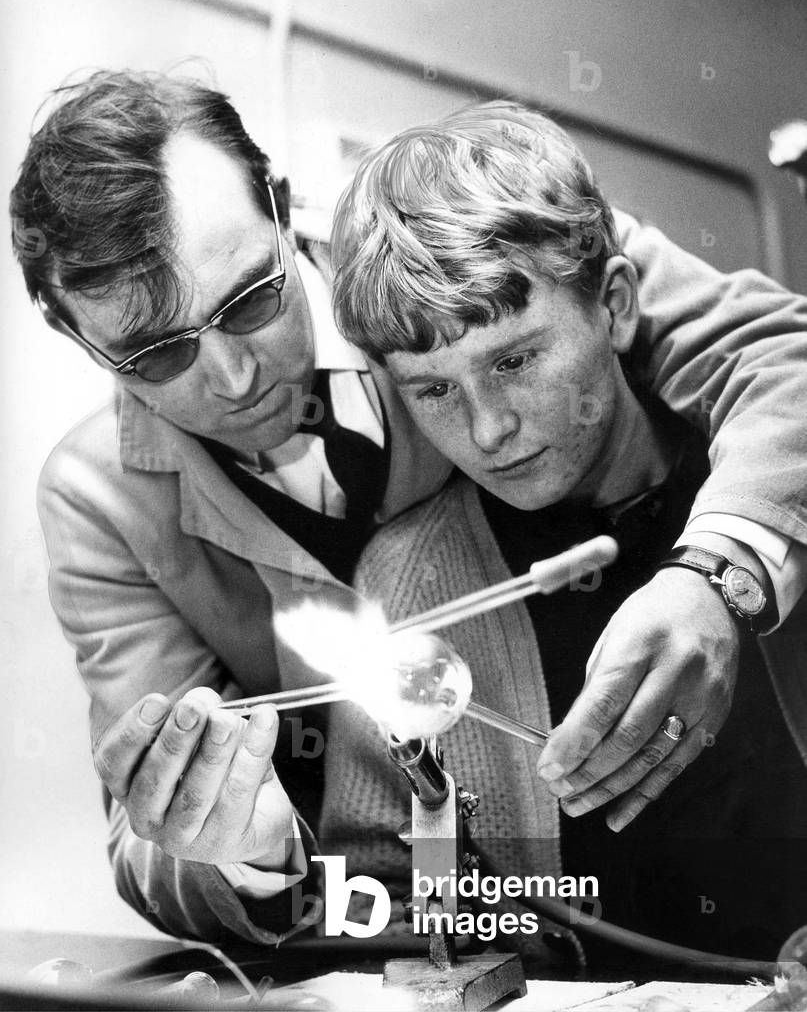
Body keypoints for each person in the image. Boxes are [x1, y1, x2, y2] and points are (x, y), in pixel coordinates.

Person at [10, 71, 807, 948]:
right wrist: (246, 854)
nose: (234, 380)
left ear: (281, 208)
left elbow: (777, 359)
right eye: (156, 354)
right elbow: (146, 832)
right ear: (82, 341)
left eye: (248, 301)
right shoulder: (96, 499)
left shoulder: (436, 243)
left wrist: (717, 576)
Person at [329, 100, 807, 963]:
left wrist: (716, 583)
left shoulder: (764, 478)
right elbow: (374, 904)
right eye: (432, 389)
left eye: (514, 359)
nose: (487, 431)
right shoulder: (407, 586)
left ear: (615, 305)